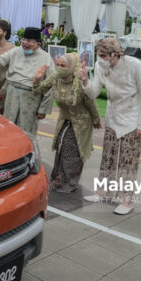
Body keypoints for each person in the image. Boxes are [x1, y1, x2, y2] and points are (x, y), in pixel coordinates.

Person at [78, 38, 141, 215]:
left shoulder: (136, 65)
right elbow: (93, 92)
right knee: (108, 157)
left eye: (104, 55)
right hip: (113, 116)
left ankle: (127, 201)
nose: (100, 58)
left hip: (133, 119)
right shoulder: (100, 66)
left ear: (116, 54)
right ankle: (103, 192)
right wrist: (84, 81)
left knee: (128, 161)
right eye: (99, 55)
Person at [33, 53, 101, 192]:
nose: (59, 68)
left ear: (71, 67)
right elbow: (39, 90)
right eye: (58, 64)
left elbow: (91, 103)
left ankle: (70, 183)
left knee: (71, 151)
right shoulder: (55, 78)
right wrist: (37, 80)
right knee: (60, 147)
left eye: (63, 66)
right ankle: (58, 179)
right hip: (64, 119)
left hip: (81, 121)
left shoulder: (79, 81)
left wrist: (96, 120)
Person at [0, 27, 55, 137]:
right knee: (9, 126)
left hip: (31, 98)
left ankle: (26, 152)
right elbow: (1, 61)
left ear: (38, 43)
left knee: (26, 130)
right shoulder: (15, 51)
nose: (25, 43)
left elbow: (50, 85)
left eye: (29, 41)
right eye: (24, 40)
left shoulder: (46, 57)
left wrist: (43, 109)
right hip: (12, 94)